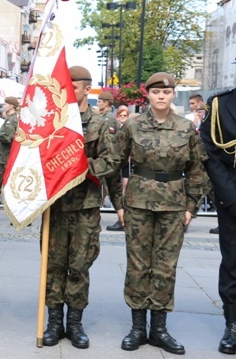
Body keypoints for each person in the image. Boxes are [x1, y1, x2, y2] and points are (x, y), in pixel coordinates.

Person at [112, 72, 207, 355]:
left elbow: (197, 170)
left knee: (166, 266)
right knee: (138, 265)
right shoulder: (132, 126)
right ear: (148, 95)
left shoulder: (185, 128)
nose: (161, 96)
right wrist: (118, 203)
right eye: (156, 92)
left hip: (174, 206)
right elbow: (115, 165)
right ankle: (138, 327)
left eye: (166, 93)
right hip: (138, 205)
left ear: (172, 95)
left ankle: (159, 329)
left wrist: (191, 207)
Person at [42, 65, 120, 349]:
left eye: (72, 88)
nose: (66, 92)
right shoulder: (52, 124)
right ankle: (53, 322)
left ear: (87, 89)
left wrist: (81, 167)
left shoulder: (100, 124)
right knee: (53, 265)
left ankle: (74, 322)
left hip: (85, 206)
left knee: (79, 266)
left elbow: (111, 162)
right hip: (55, 206)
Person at [200, 87, 236, 354]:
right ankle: (233, 325)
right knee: (233, 262)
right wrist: (230, 198)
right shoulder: (220, 104)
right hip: (232, 193)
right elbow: (210, 153)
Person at [0, 96, 20, 176]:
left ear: (11, 106)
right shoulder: (10, 118)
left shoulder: (12, 119)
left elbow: (7, 138)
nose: (4, 106)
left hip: (6, 155)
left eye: (5, 104)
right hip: (5, 155)